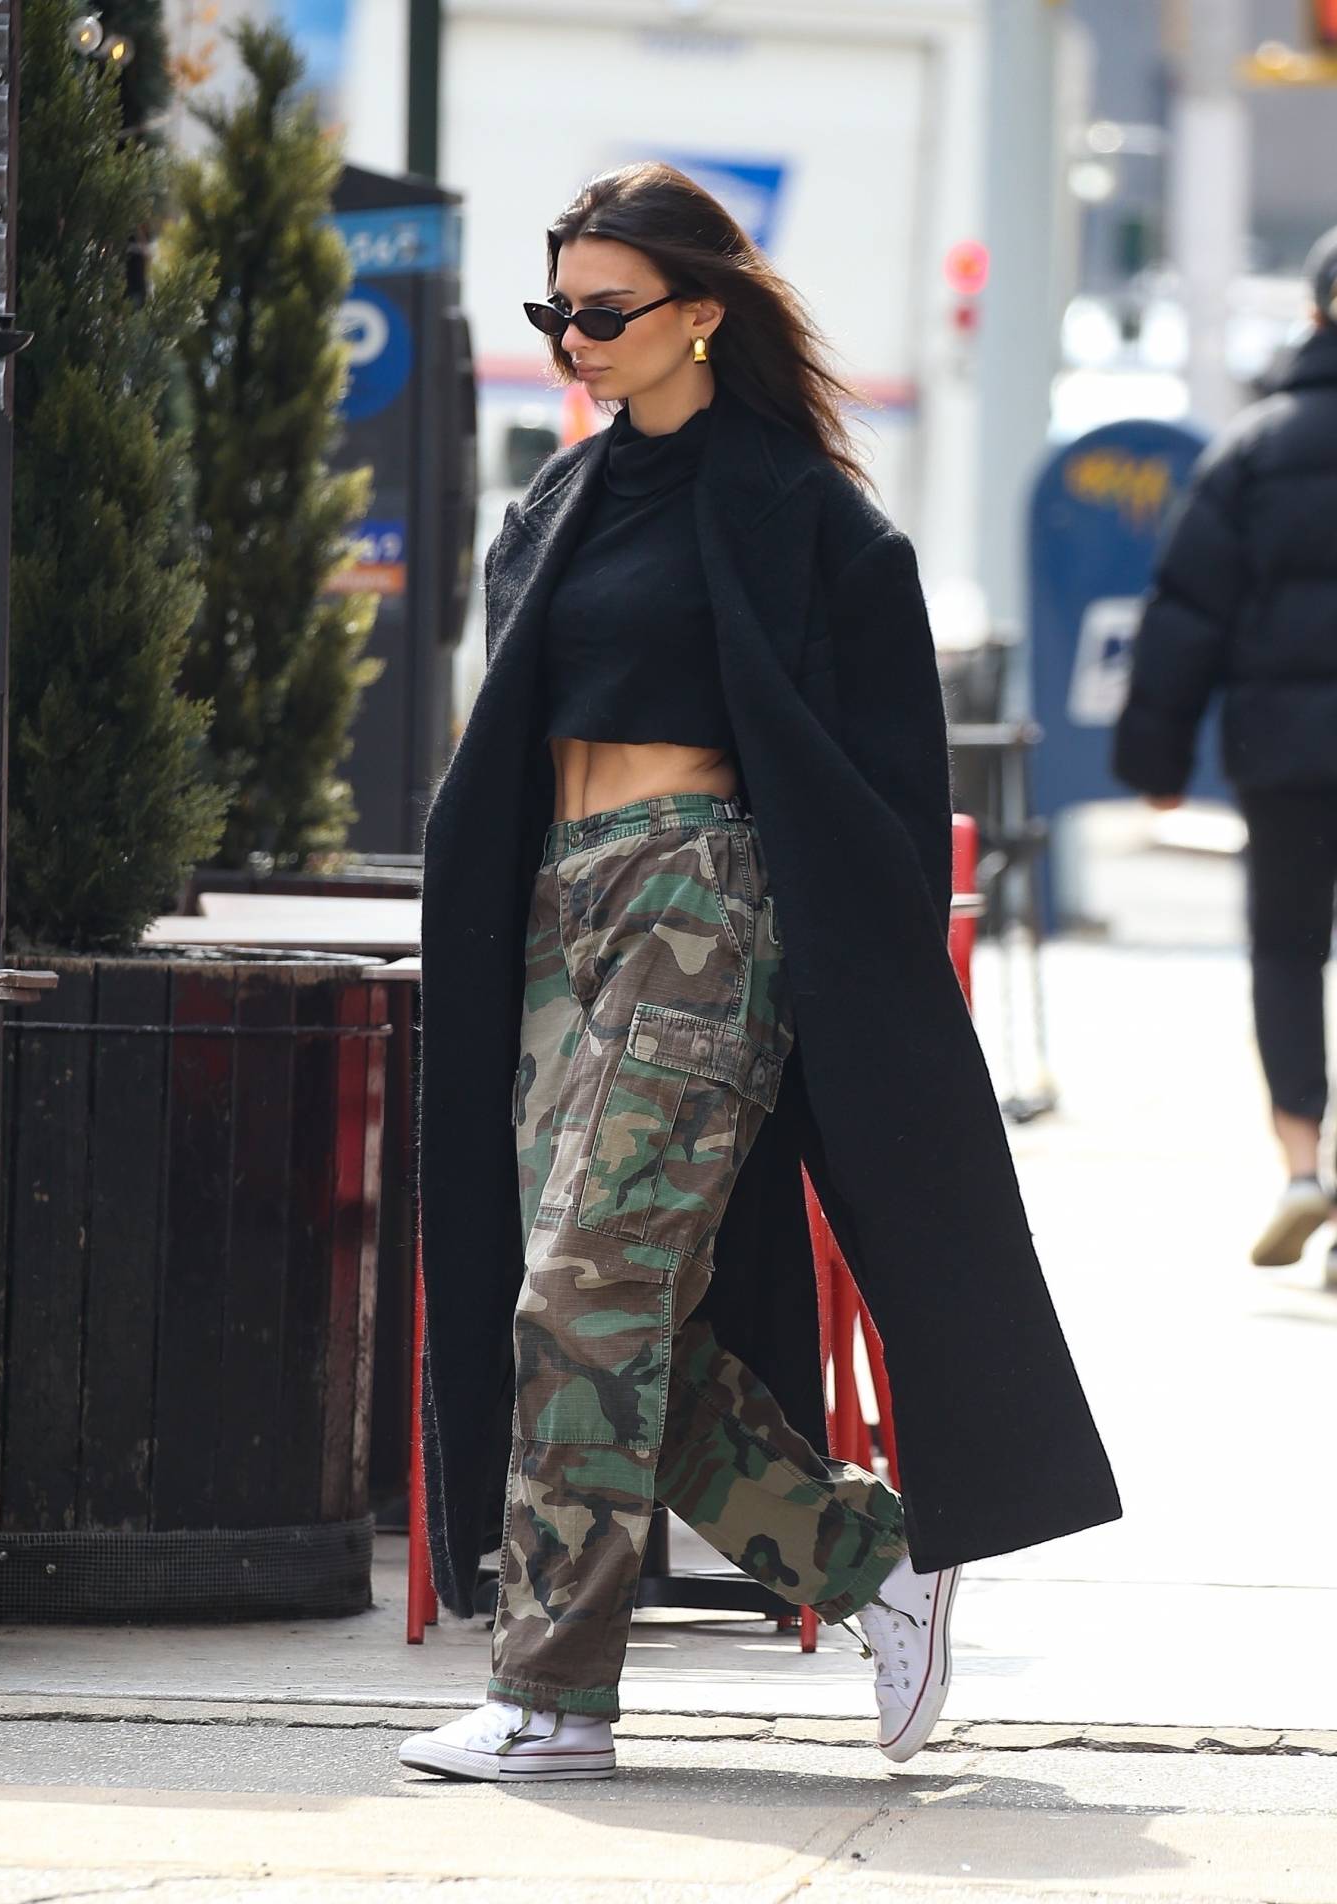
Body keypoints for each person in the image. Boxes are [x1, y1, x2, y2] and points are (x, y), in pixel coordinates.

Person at [401, 162, 1120, 1784]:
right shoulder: (552, 510)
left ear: (703, 313)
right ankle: (876, 1564)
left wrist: (833, 977)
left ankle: (553, 1699)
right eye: (557, 310)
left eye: (606, 310)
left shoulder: (807, 516)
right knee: (602, 1307)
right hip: (562, 922)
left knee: (582, 1297)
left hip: (705, 912)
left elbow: (879, 775)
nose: (576, 339)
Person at [1113, 225, 1337, 1281]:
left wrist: (1156, 759)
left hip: (1282, 753)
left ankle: (1303, 1168)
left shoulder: (1254, 449)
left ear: (1313, 313)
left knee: (1287, 952)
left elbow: (1185, 615)